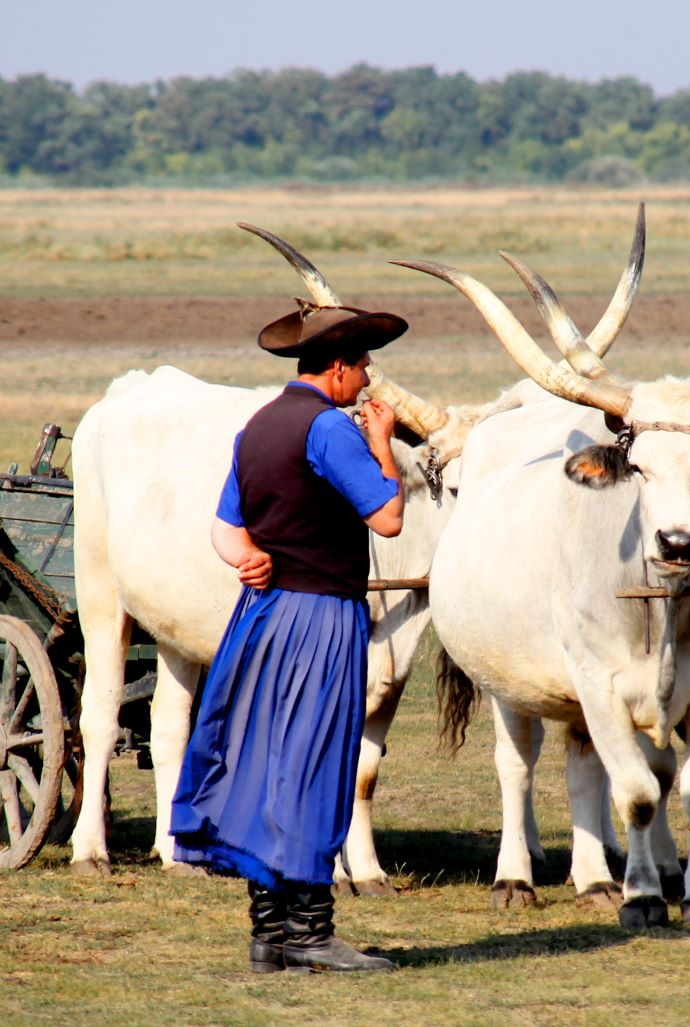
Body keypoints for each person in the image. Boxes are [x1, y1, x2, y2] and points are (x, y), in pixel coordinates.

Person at [168, 301, 408, 974]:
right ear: (335, 369)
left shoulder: (257, 426)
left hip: (261, 618)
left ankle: (268, 933)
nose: (367, 382)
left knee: (267, 762)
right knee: (313, 765)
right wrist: (382, 444)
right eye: (362, 368)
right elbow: (387, 517)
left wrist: (247, 555)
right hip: (319, 618)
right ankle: (309, 933)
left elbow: (224, 526)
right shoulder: (330, 428)